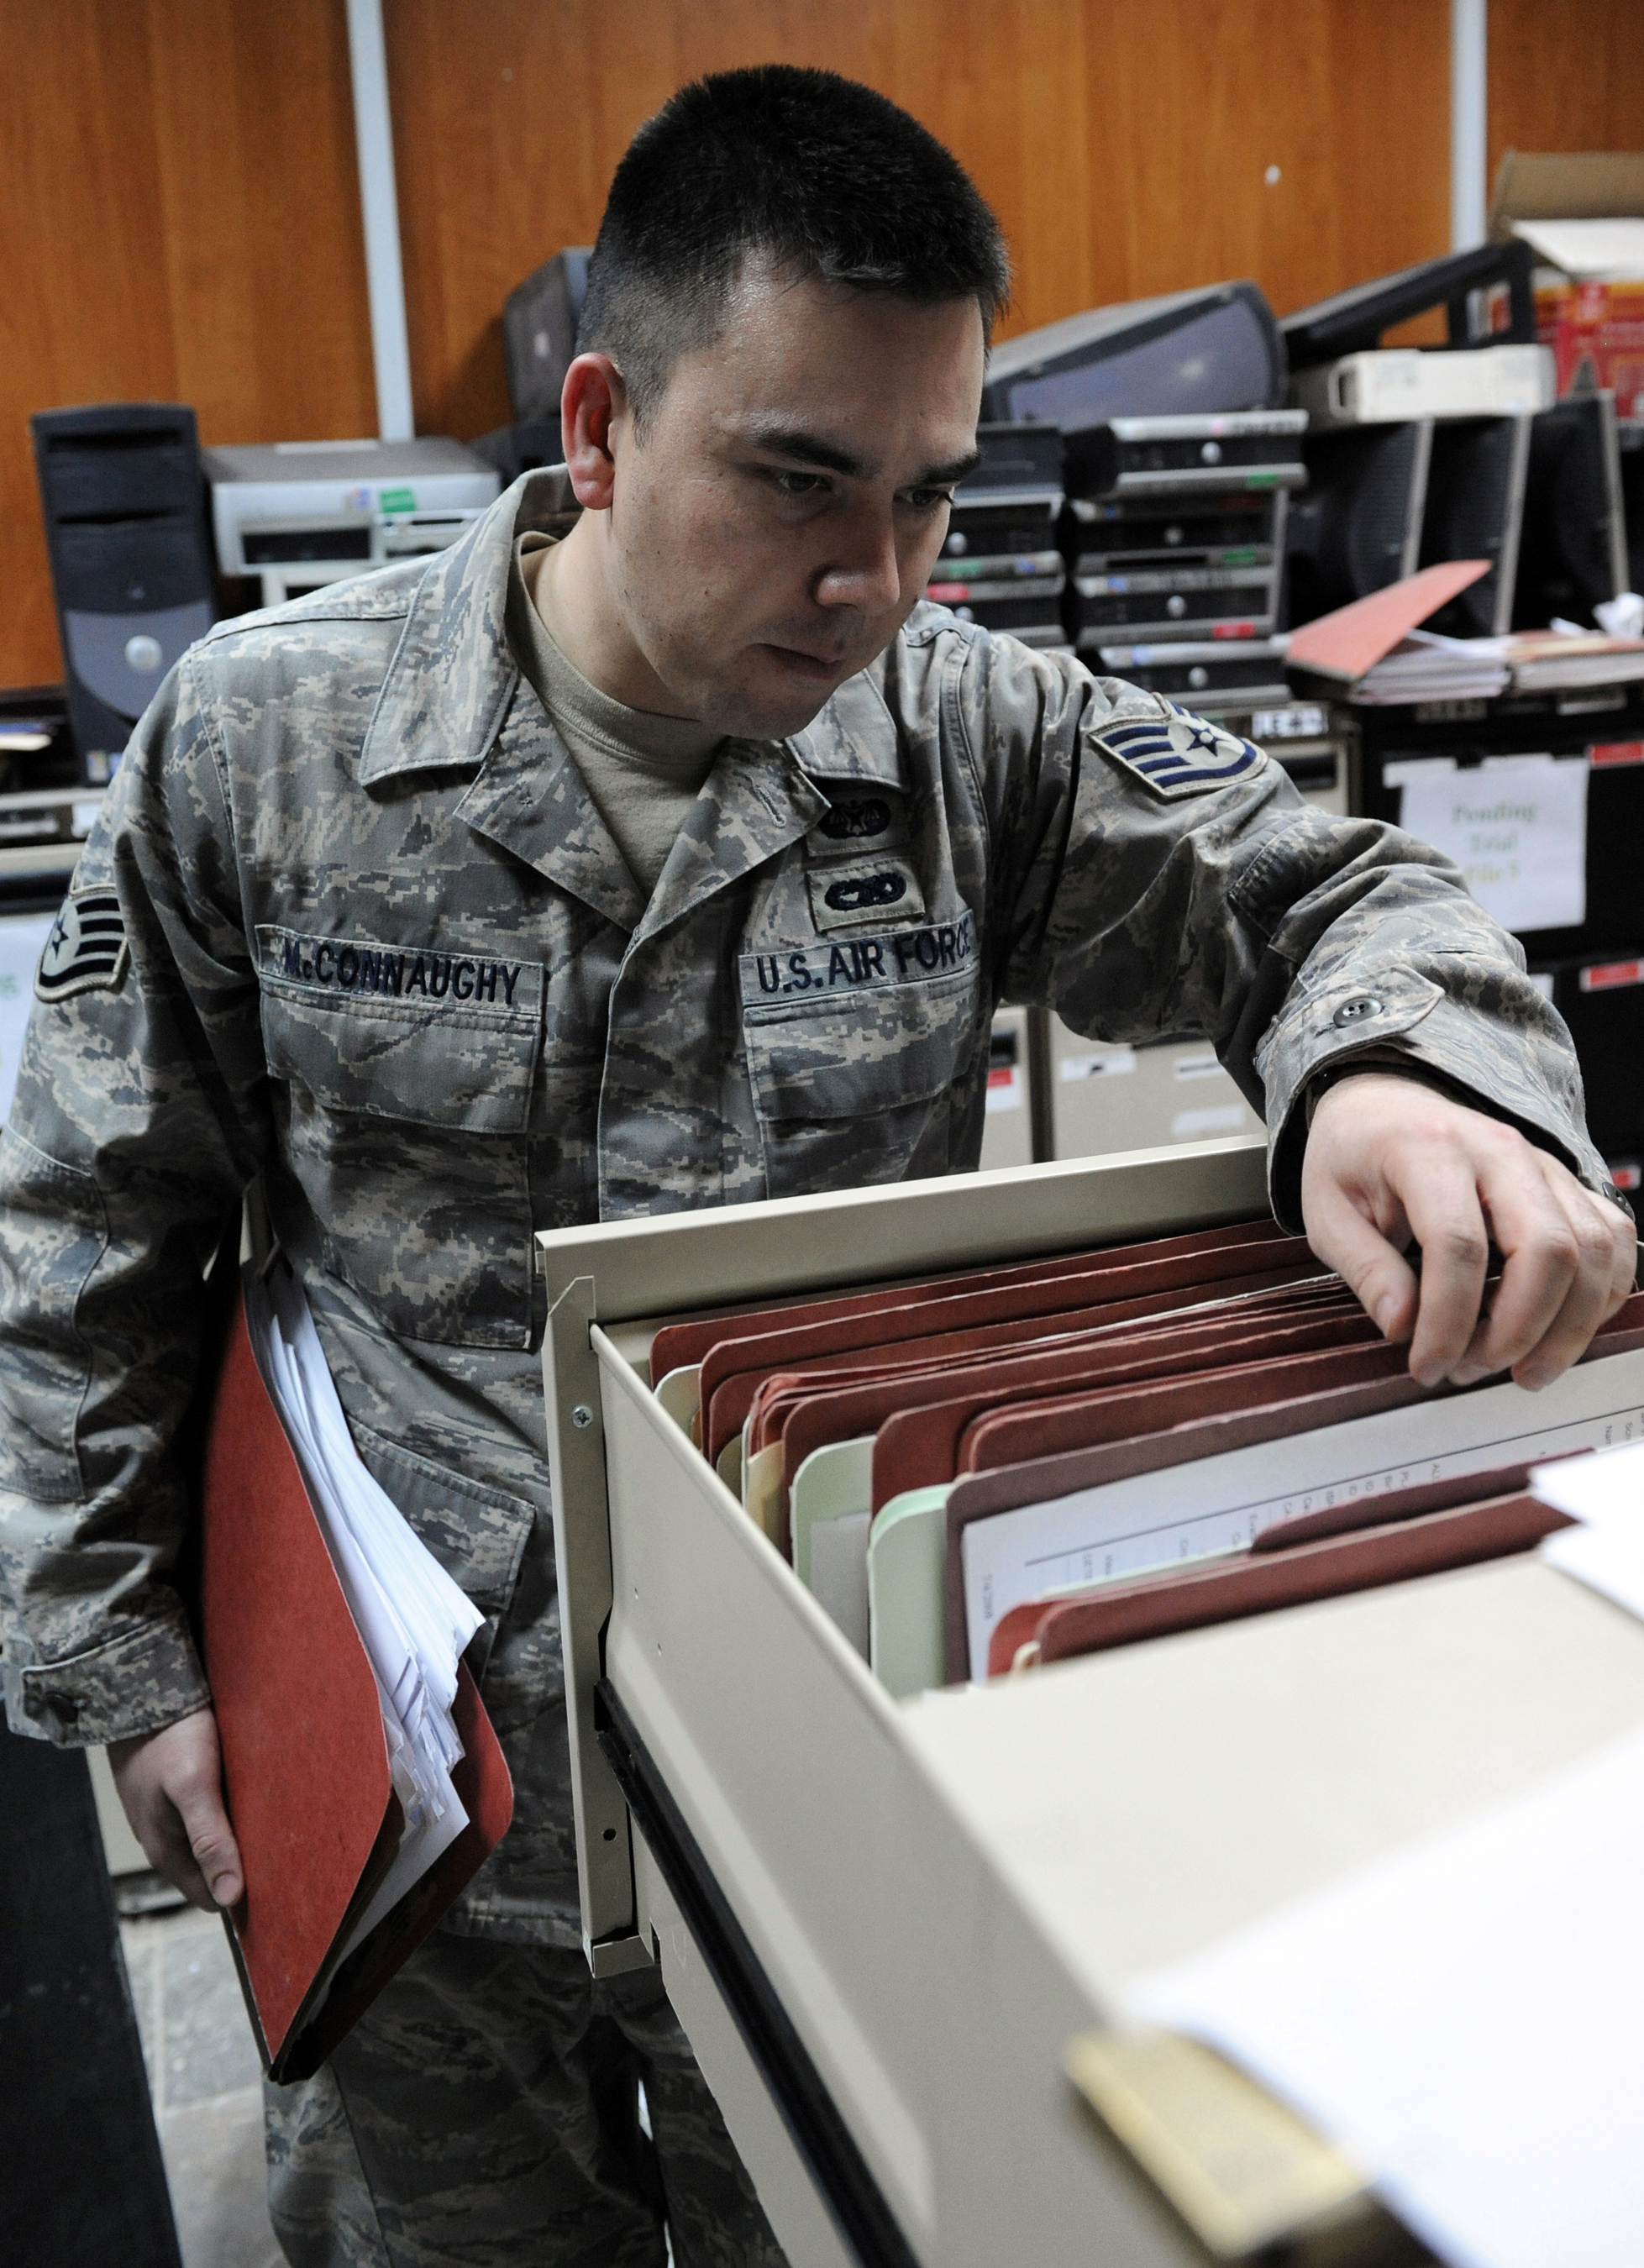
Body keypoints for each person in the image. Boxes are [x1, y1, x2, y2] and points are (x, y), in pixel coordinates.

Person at [0, 60, 1633, 2268]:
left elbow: (1340, 906)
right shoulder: (266, 741)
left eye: (930, 494)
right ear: (596, 429)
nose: (872, 576)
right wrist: (129, 1661)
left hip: (807, 1772)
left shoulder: (974, 734)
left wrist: (1391, 1078)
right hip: (413, 1800)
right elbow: (101, 1219)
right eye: (794, 480)